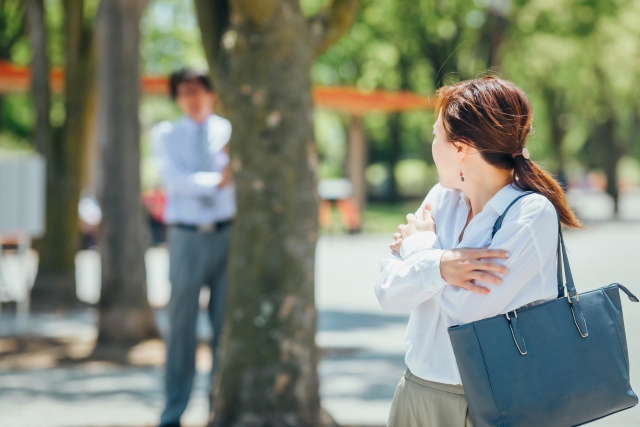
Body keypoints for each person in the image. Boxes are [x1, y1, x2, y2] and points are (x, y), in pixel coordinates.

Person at [374, 76, 581, 427]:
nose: (432, 145)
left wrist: (420, 249)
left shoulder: (530, 213)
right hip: (416, 391)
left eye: (435, 135)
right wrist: (442, 265)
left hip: (493, 402)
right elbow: (388, 293)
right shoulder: (442, 199)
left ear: (462, 147)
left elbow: (466, 312)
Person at [152, 68, 235, 427]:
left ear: (212, 93)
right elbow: (174, 182)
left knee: (224, 326)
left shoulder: (230, 131)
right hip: (185, 235)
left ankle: (218, 410)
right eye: (185, 91)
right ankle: (173, 413)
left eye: (200, 89)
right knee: (181, 326)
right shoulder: (166, 134)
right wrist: (219, 180)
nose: (194, 97)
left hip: (226, 235)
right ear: (176, 98)